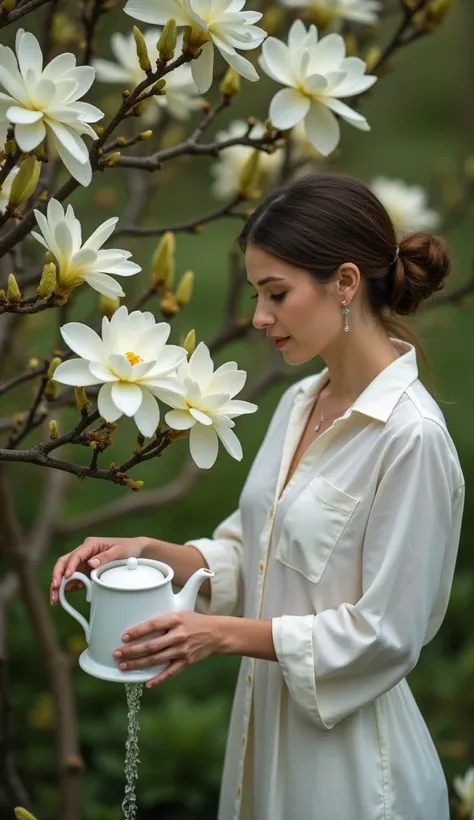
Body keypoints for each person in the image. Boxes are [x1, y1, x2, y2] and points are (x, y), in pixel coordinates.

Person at [51, 173, 465, 820]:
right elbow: (259, 558)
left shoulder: (411, 439)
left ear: (347, 283)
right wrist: (150, 551)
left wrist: (218, 634)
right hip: (262, 739)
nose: (259, 317)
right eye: (256, 294)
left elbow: (387, 634)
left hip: (354, 773)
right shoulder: (302, 404)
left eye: (276, 293)